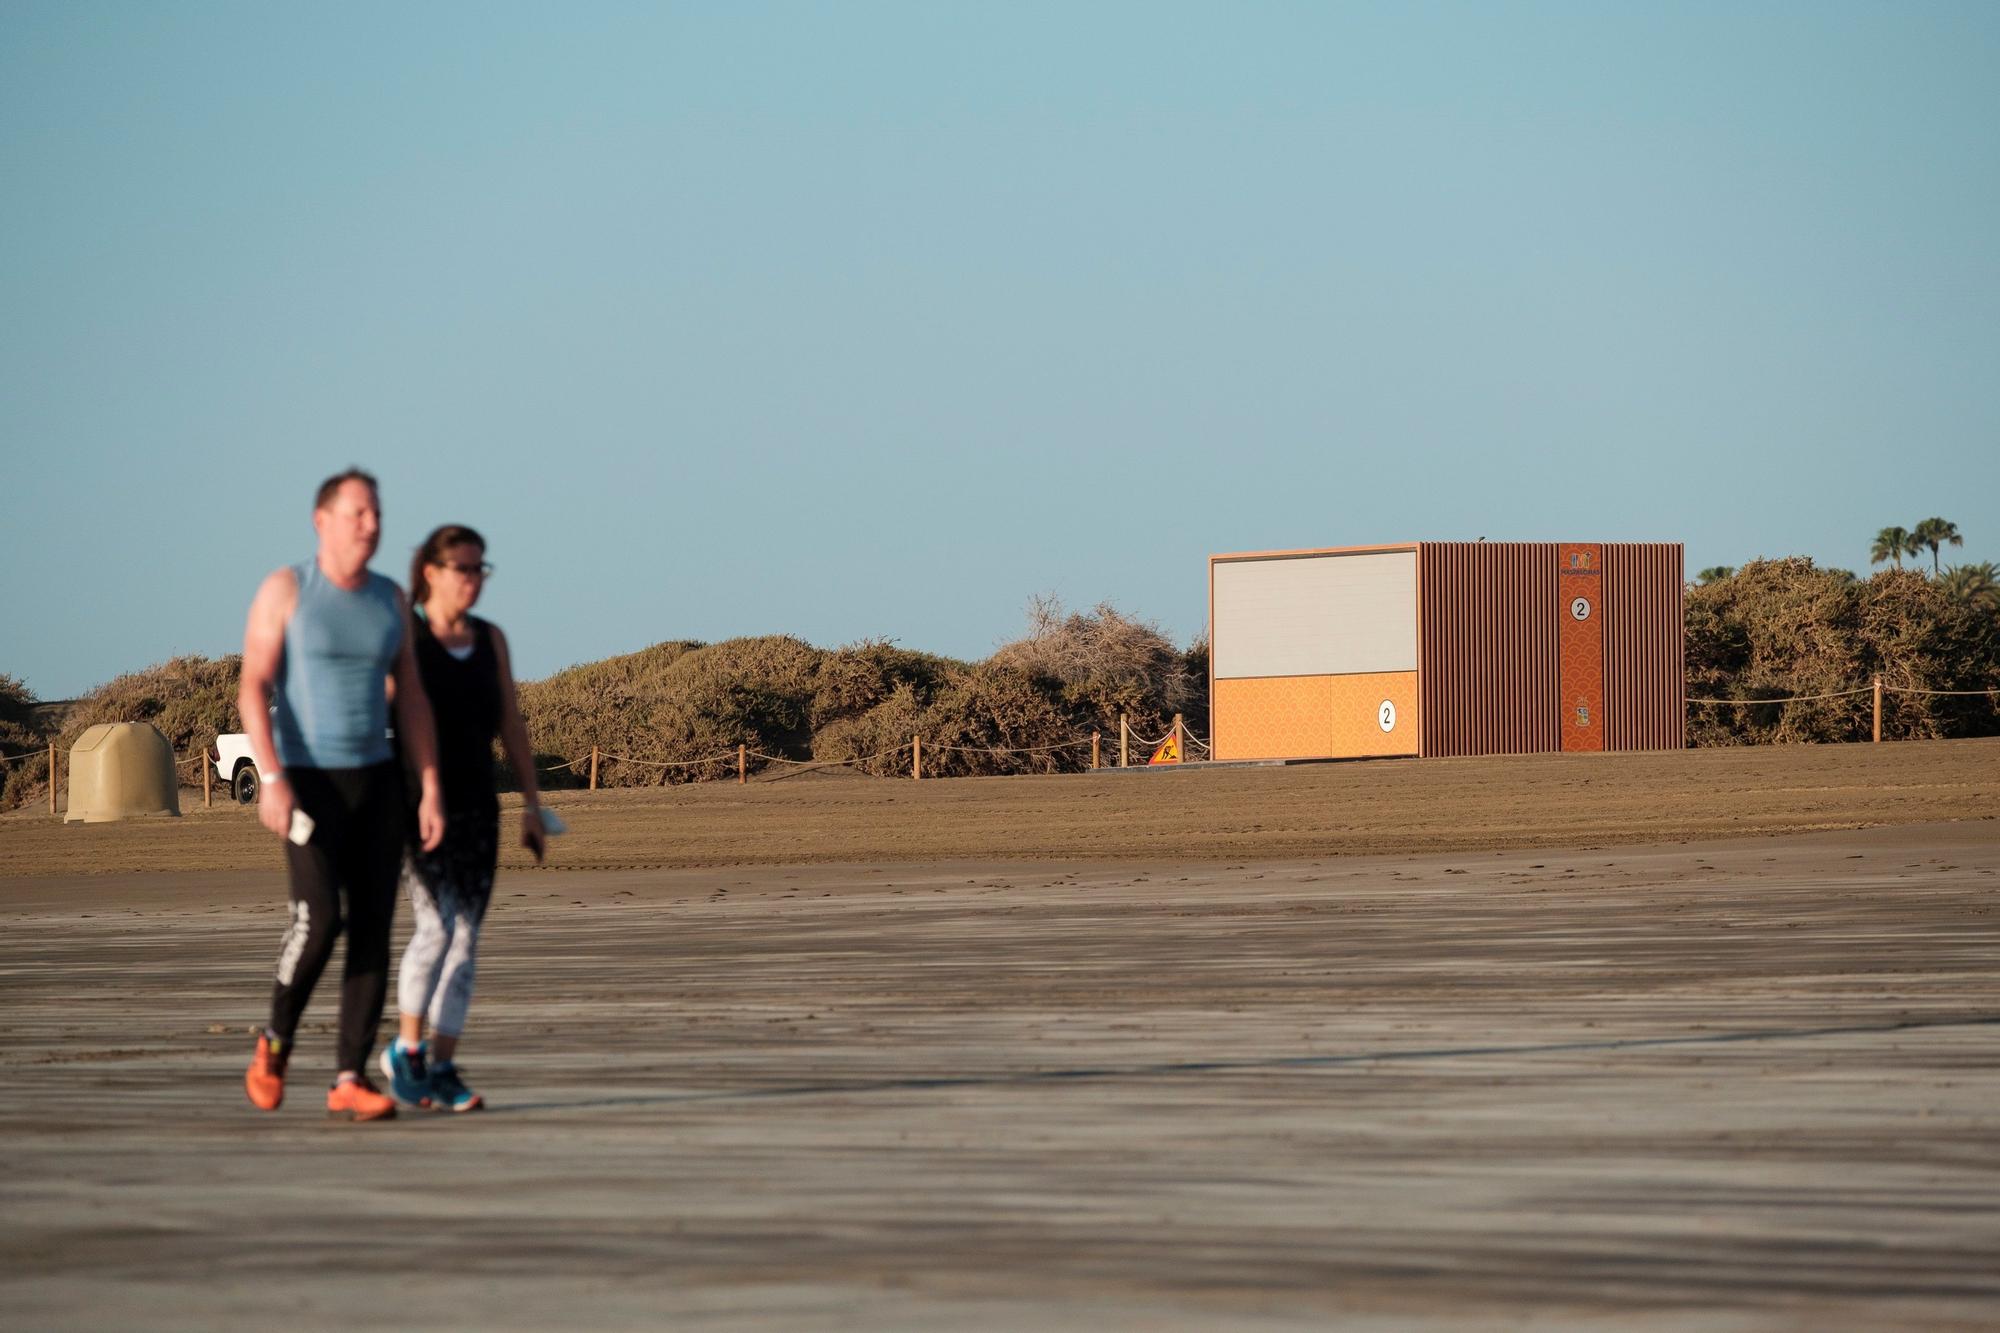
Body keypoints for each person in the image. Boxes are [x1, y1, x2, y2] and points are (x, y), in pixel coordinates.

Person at [241, 469, 446, 1122]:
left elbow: (411, 697)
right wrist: (271, 779)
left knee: (374, 930)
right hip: (308, 782)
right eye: (358, 512)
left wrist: (430, 787)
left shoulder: (390, 600)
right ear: (321, 519)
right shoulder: (287, 590)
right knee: (321, 917)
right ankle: (275, 1041)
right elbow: (252, 688)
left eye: (377, 512)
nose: (372, 523)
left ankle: (349, 1076)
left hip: (378, 781)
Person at [379, 524, 547, 1112]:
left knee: (468, 937)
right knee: (436, 928)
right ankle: (407, 1051)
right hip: (417, 803)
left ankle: (443, 1063)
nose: (474, 580)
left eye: (481, 570)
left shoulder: (489, 638)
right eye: (463, 569)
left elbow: (512, 724)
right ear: (432, 571)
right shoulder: (406, 637)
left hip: (479, 804)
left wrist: (531, 803)